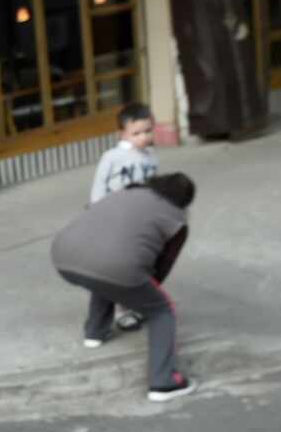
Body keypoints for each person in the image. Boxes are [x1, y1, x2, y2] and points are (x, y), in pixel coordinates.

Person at [51, 172, 196, 402]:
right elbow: (162, 268)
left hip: (62, 255)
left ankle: (95, 332)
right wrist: (140, 301)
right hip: (115, 266)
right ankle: (163, 382)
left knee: (106, 271)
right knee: (162, 309)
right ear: (185, 202)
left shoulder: (126, 192)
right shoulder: (177, 219)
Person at [90, 102, 160, 333]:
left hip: (142, 219)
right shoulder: (112, 157)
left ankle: (137, 303)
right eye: (136, 133)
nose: (143, 137)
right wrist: (98, 213)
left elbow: (155, 186)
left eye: (147, 131)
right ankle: (122, 311)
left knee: (141, 264)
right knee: (122, 266)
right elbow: (99, 186)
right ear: (122, 134)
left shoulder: (151, 156)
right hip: (116, 219)